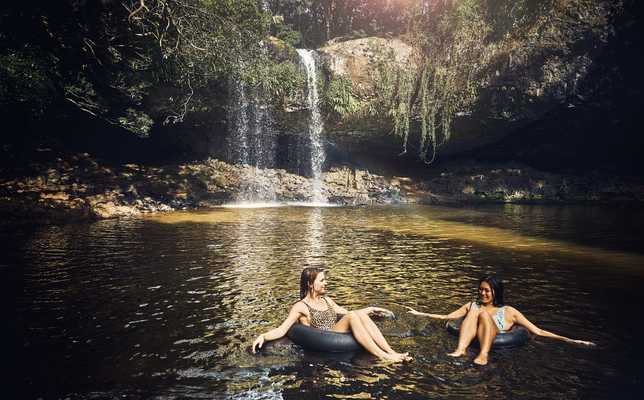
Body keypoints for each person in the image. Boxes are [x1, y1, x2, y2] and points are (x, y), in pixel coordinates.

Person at [406, 276, 595, 365]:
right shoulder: (472, 304)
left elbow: (538, 331)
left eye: (487, 290)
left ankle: (483, 355)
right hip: (473, 332)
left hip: (499, 343)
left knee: (482, 313)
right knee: (474, 309)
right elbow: (448, 317)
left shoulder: (509, 311)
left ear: (496, 292)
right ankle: (460, 350)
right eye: (481, 289)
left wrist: (570, 340)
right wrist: (419, 313)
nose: (483, 293)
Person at [252, 267, 411, 362]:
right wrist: (263, 336)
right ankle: (383, 356)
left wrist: (369, 309)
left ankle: (391, 352)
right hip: (324, 337)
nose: (325, 283)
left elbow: (346, 313)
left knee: (356, 315)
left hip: (335, 331)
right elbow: (283, 329)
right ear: (310, 284)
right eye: (321, 280)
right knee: (354, 316)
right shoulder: (301, 306)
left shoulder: (327, 300)